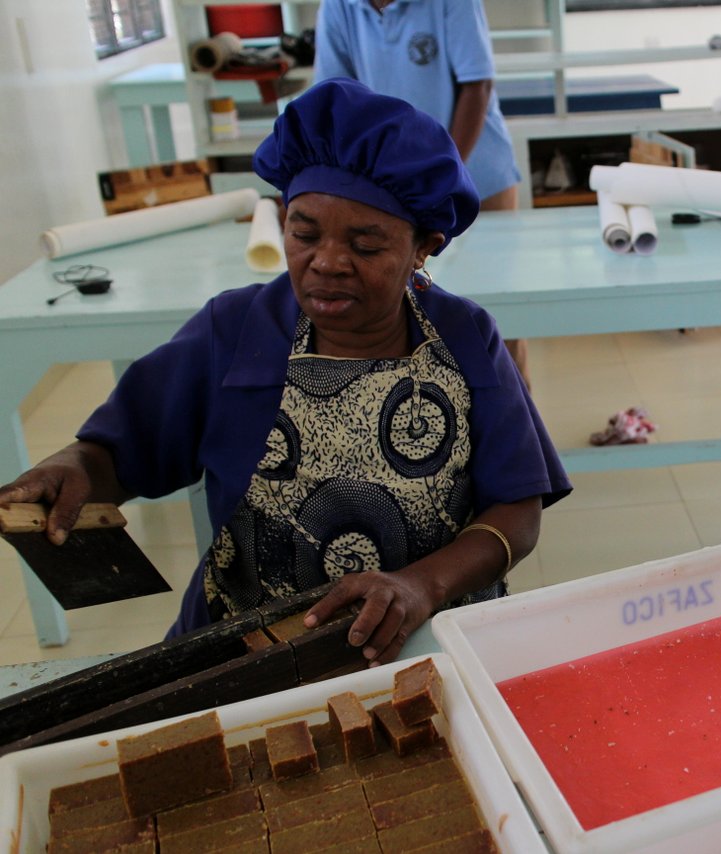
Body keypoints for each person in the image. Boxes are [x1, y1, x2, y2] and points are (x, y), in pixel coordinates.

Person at [0, 78, 570, 665]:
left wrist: (422, 584)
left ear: (424, 246)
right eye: (303, 233)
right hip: (248, 646)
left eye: (366, 245)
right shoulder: (235, 330)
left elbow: (518, 511)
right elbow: (120, 454)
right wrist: (74, 465)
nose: (326, 261)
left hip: (430, 642)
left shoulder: (464, 337)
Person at [312, 0, 531, 389]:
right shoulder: (340, 6)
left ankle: (518, 428)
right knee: (412, 319)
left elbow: (476, 85)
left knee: (499, 315)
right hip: (394, 192)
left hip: (477, 178)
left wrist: (445, 179)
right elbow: (335, 96)